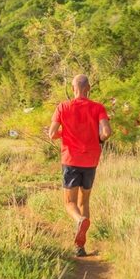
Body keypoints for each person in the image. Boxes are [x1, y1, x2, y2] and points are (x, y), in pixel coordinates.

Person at [49, 74, 112, 257]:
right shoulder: (98, 107)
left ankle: (79, 220)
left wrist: (65, 133)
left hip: (70, 160)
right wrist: (97, 136)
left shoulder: (62, 107)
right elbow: (107, 132)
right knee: (84, 201)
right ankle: (80, 247)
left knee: (69, 203)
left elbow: (52, 134)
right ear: (88, 88)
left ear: (73, 88)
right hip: (91, 160)